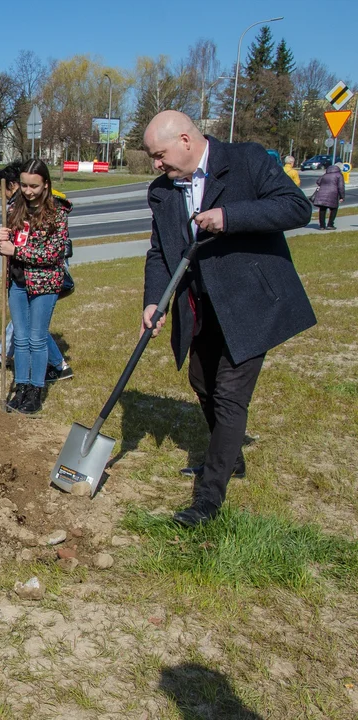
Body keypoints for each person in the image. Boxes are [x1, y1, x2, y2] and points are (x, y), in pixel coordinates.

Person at [141, 110, 315, 528]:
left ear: (185, 139)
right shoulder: (161, 191)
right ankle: (230, 456)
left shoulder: (246, 160)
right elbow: (160, 252)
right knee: (201, 381)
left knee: (229, 394)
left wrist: (230, 217)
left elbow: (296, 207)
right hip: (199, 305)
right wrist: (153, 301)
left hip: (249, 302)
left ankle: (209, 498)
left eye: (160, 155)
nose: (156, 165)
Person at [0, 162, 73, 383]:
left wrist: (17, 251)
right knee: (20, 339)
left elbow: (53, 253)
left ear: (46, 185)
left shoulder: (57, 212)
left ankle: (35, 389)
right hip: (17, 283)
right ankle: (21, 387)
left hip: (44, 283)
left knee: (37, 338)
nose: (28, 191)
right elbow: (5, 247)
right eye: (24, 185)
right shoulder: (15, 208)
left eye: (34, 186)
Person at [311, 162, 345, 230]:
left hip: (322, 193)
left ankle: (322, 226)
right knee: (334, 209)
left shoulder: (326, 174)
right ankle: (330, 224)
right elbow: (341, 187)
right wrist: (342, 196)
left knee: (322, 209)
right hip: (333, 194)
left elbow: (318, 182)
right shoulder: (339, 175)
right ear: (339, 168)